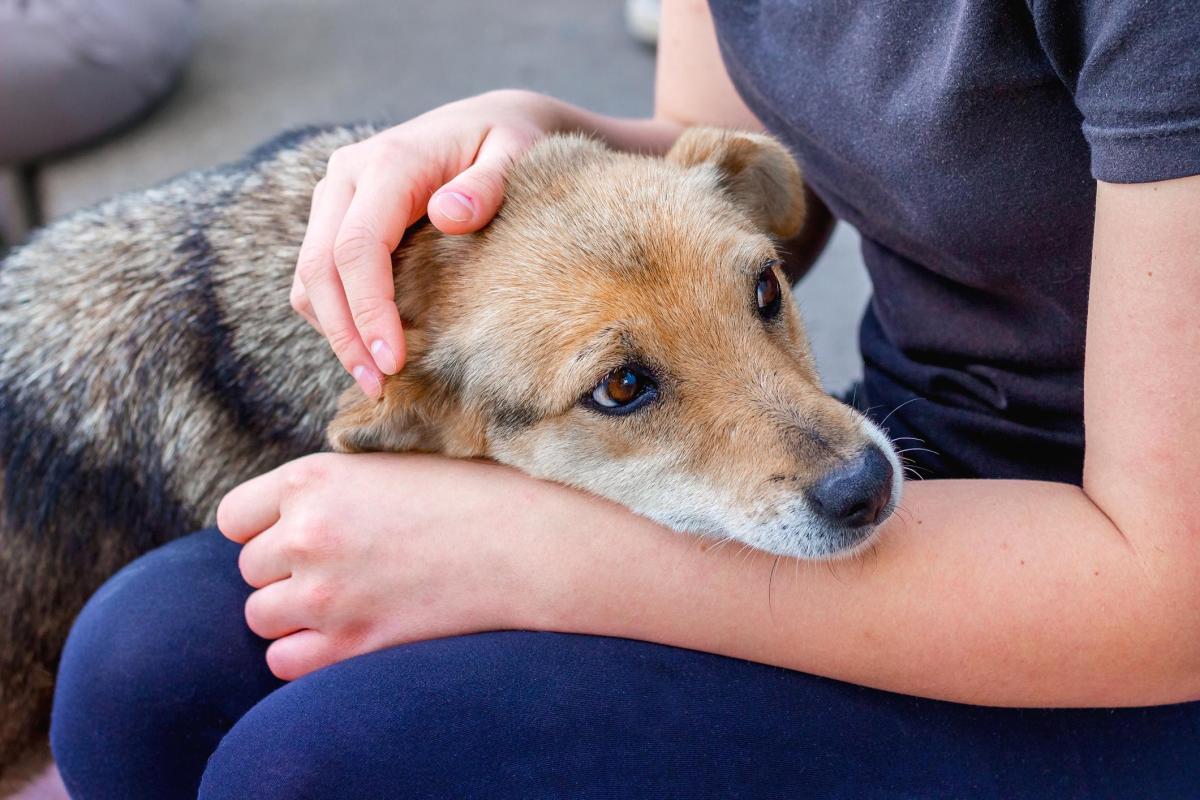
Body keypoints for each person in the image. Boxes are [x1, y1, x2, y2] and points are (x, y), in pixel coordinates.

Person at [50, 1, 1200, 797]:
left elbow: (1174, 597)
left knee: (311, 769)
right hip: (936, 432)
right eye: (625, 388)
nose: (832, 457)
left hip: (1128, 598)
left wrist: (526, 550)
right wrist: (532, 129)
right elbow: (743, 172)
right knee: (140, 671)